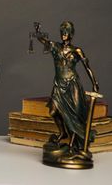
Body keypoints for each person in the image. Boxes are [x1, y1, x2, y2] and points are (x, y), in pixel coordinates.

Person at [34, 21, 99, 151]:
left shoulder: (77, 50)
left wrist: (94, 83)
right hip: (59, 84)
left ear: (71, 34)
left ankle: (72, 143)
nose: (63, 34)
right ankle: (63, 133)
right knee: (53, 111)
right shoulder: (55, 47)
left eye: (66, 32)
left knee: (73, 115)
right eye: (62, 32)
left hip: (72, 85)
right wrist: (37, 32)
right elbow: (43, 40)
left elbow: (88, 68)